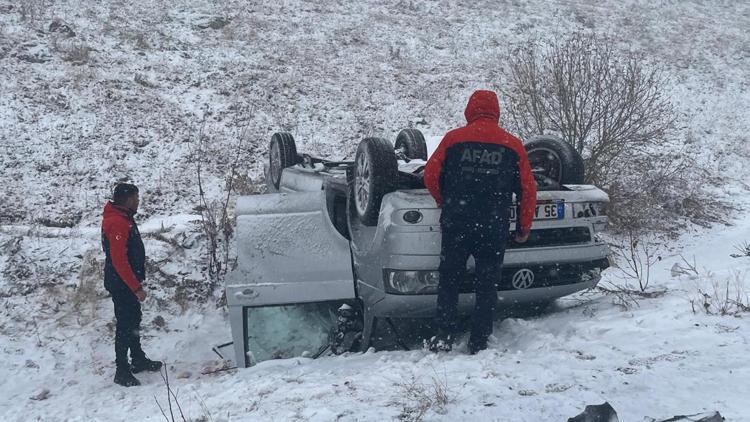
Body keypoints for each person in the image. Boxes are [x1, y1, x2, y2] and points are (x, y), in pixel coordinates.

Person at [423, 90, 537, 354]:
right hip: (493, 225)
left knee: (450, 279)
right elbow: (528, 190)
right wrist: (523, 227)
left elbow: (430, 174)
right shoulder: (513, 144)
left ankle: (443, 335)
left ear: (469, 110)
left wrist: (444, 199)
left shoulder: (453, 139)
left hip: (456, 222)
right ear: (496, 111)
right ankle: (479, 340)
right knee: (487, 283)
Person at [101, 183, 162, 386]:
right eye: (136, 198)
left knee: (134, 319)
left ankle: (137, 359)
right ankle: (122, 370)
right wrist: (135, 287)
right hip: (121, 283)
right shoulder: (117, 222)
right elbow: (119, 260)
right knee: (125, 324)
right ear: (127, 199)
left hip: (126, 281)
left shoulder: (123, 218)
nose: (138, 201)